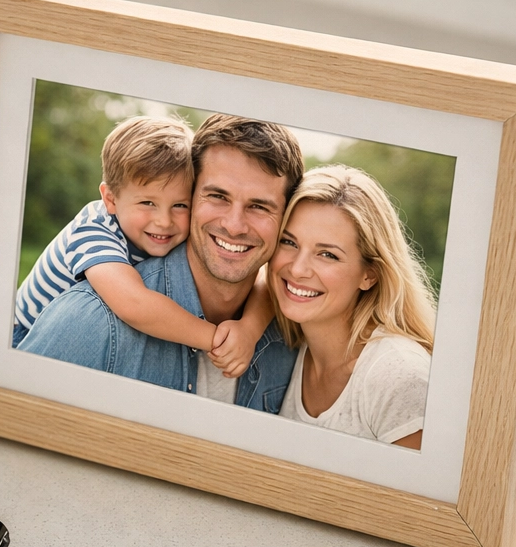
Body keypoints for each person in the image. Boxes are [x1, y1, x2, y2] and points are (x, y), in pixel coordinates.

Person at [19, 114, 303, 412]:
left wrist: (249, 329)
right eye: (218, 196)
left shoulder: (292, 336)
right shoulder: (92, 315)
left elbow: (264, 281)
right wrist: (217, 340)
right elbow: (134, 304)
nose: (234, 226)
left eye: (259, 206)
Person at [271, 165, 437, 447]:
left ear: (369, 274)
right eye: (289, 242)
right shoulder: (284, 349)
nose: (297, 269)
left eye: (327, 254)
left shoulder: (400, 377)